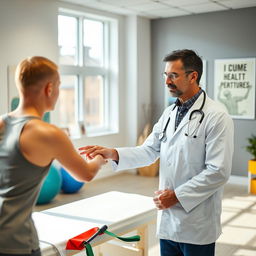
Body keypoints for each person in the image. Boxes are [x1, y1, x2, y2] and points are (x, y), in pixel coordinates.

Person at [79, 49, 234, 256]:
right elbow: (149, 150)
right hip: (168, 220)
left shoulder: (216, 116)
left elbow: (218, 171)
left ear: (193, 76)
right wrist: (113, 153)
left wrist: (177, 196)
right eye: (165, 75)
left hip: (197, 223)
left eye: (173, 75)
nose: (167, 81)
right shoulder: (169, 113)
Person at [0, 56, 106, 256]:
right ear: (49, 88)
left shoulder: (2, 123)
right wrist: (100, 157)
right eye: (59, 85)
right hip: (16, 242)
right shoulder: (48, 133)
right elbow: (86, 174)